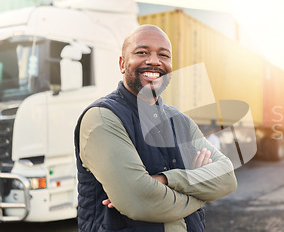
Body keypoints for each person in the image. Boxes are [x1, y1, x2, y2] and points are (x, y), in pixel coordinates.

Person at [74, 25, 237, 232]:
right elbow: (139, 200)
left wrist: (165, 180)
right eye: (142, 52)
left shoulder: (180, 121)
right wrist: (201, 193)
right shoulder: (103, 117)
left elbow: (227, 178)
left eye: (164, 55)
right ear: (122, 64)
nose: (154, 60)